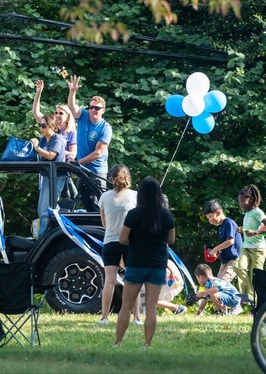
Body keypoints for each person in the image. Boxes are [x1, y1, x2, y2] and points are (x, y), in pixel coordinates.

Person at [115, 176, 175, 348]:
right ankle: (147, 344)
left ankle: (118, 343)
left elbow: (122, 239)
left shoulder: (133, 214)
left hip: (136, 263)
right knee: (151, 308)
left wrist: (135, 242)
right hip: (157, 265)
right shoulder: (166, 214)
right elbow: (170, 239)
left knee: (126, 306)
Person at [98, 164, 142, 325]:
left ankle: (104, 318)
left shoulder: (104, 197)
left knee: (109, 281)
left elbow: (104, 224)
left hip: (110, 242)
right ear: (128, 178)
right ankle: (136, 317)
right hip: (130, 243)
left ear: (111, 179)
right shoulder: (135, 196)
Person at [67, 75, 112, 212]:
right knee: (85, 200)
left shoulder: (105, 128)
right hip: (82, 168)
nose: (93, 110)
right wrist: (72, 91)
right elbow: (72, 107)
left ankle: (100, 231)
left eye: (97, 108)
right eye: (91, 107)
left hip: (96, 171)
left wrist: (78, 162)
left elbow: (98, 153)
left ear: (103, 110)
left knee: (96, 205)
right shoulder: (84, 116)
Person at [30, 114, 66, 237]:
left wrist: (36, 147)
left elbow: (51, 155)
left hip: (56, 179)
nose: (41, 128)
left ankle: (42, 240)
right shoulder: (44, 139)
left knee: (46, 212)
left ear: (52, 126)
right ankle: (41, 237)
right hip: (46, 178)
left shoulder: (57, 139)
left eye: (44, 126)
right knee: (41, 211)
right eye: (40, 125)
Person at [233, 184, 266, 301]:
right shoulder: (247, 213)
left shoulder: (258, 212)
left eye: (243, 201)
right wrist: (243, 230)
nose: (241, 204)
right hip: (246, 247)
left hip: (258, 250)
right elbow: (250, 228)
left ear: (251, 200)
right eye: (240, 202)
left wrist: (256, 232)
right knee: (238, 266)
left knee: (255, 277)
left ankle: (257, 303)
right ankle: (247, 296)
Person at [32, 80, 77, 162]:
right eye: (56, 112)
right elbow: (35, 112)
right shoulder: (49, 124)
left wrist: (58, 150)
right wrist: (38, 92)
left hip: (61, 165)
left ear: (68, 116)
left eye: (61, 113)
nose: (57, 115)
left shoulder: (71, 132)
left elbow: (72, 154)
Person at [202, 199, 242, 282]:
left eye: (210, 217)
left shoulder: (228, 223)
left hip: (234, 259)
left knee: (222, 284)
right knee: (217, 283)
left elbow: (231, 241)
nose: (210, 220)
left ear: (218, 212)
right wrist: (217, 252)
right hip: (226, 259)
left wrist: (215, 249)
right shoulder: (222, 226)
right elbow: (226, 245)